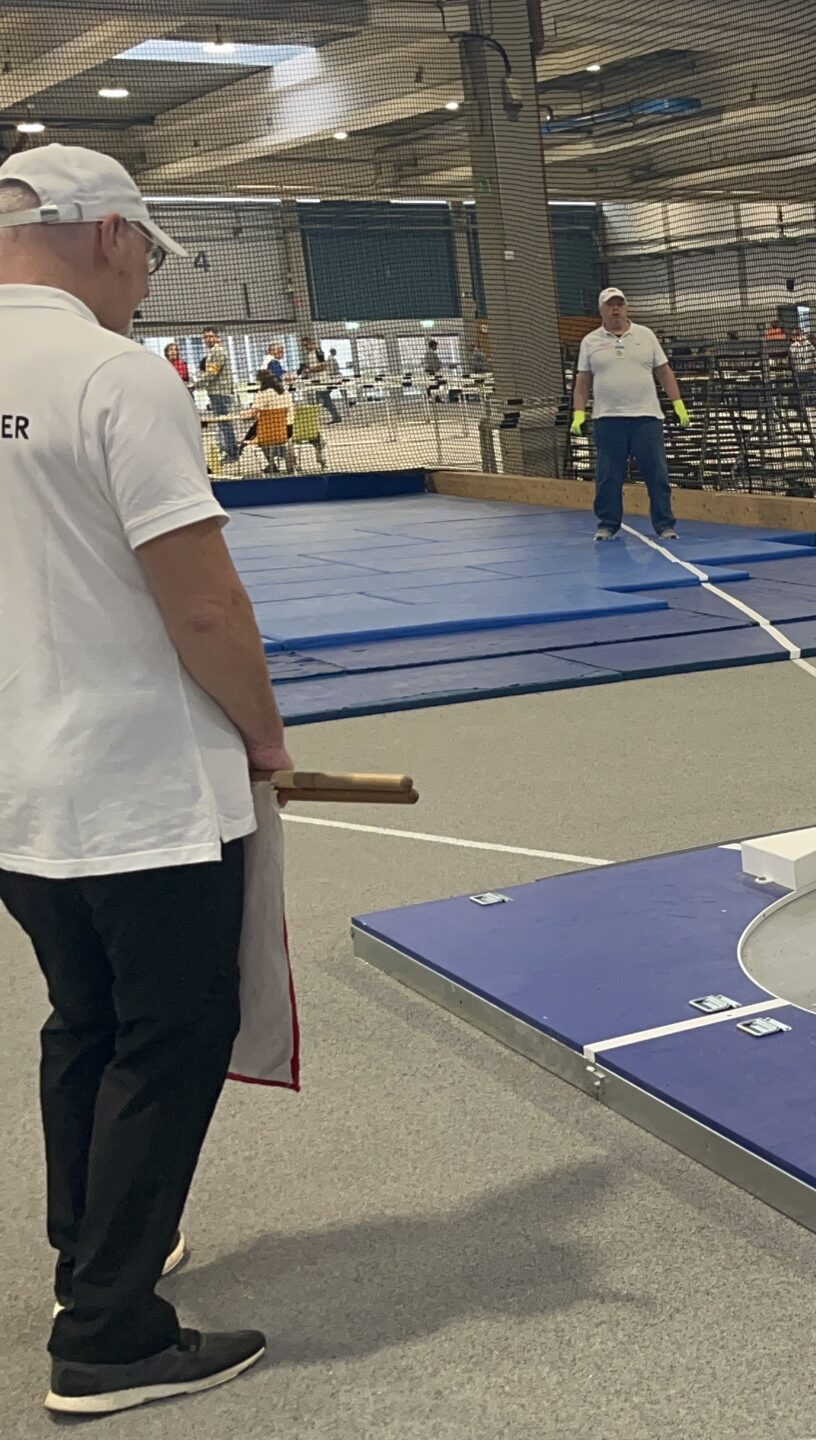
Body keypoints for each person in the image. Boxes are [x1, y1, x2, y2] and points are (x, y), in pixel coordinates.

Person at [0, 142, 281, 1417]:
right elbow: (204, 604)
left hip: (18, 787)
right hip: (137, 786)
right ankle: (109, 1334)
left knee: (86, 1020)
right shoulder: (114, 374)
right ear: (110, 235)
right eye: (146, 260)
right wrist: (264, 739)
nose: (146, 287)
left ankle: (95, 1248)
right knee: (171, 1035)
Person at [570, 286, 693, 542]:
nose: (615, 308)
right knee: (608, 476)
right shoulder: (590, 341)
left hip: (647, 418)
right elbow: (583, 380)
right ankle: (607, 525)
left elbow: (664, 372)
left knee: (657, 474)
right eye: (610, 304)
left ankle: (664, 525)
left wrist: (678, 403)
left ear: (626, 308)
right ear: (601, 310)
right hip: (608, 420)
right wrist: (578, 412)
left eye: (620, 304)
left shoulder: (646, 336)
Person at [196, 328, 238, 463]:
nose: (208, 339)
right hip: (216, 393)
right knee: (223, 424)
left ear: (217, 337)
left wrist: (195, 384)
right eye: (205, 337)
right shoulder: (212, 352)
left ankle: (232, 454)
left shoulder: (218, 351)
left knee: (225, 424)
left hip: (220, 393)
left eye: (210, 336)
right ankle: (229, 451)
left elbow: (212, 372)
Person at [244, 371, 293, 472]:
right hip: (287, 431)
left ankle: (272, 465)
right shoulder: (285, 392)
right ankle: (290, 463)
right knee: (275, 438)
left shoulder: (263, 394)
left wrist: (243, 413)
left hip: (268, 434)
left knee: (255, 434)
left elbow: (253, 412)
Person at [297, 341, 341, 423]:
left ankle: (336, 416)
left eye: (307, 345)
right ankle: (334, 415)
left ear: (312, 344)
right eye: (304, 345)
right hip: (315, 380)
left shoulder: (318, 352)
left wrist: (310, 370)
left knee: (326, 398)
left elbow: (323, 366)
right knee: (323, 398)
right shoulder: (309, 355)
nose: (305, 347)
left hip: (322, 380)